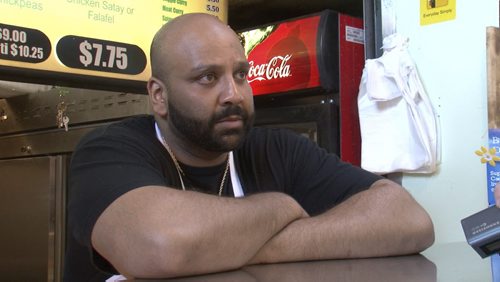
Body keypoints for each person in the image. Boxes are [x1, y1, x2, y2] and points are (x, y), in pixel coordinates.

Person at [64, 13, 435, 281]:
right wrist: (280, 207)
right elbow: (159, 244)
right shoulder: (108, 151)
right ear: (159, 96)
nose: (233, 94)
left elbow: (408, 219)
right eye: (207, 77)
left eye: (240, 75)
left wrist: (237, 245)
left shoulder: (277, 148)